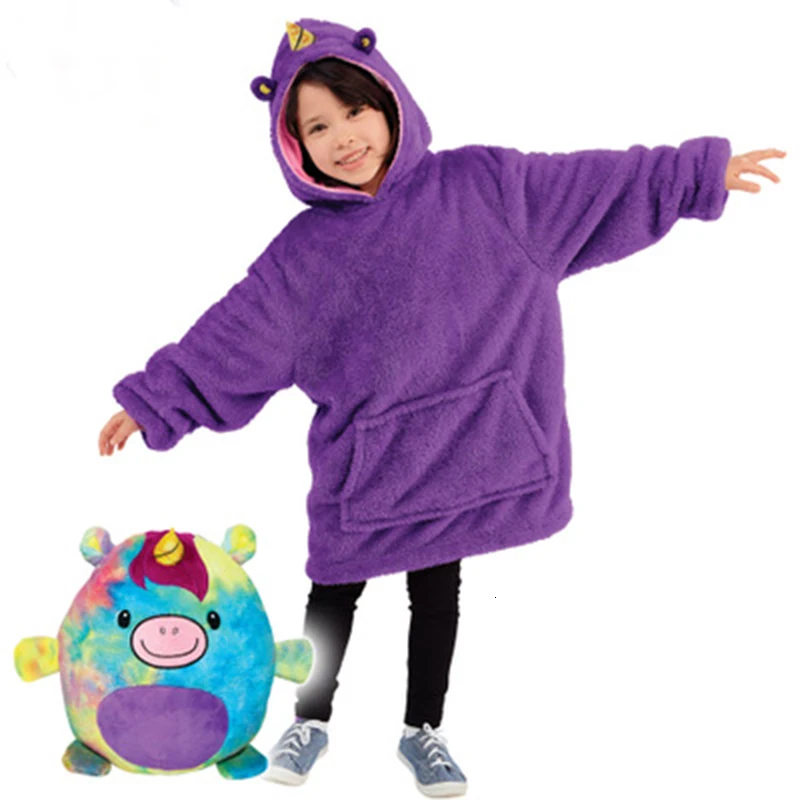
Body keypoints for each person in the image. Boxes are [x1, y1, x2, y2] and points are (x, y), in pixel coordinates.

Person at [98, 18, 784, 798]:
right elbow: (233, 336)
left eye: (355, 111)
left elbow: (596, 182)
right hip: (365, 472)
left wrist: (697, 173)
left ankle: (422, 731)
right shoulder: (301, 258)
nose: (344, 137)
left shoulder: (486, 188)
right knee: (334, 594)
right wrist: (157, 401)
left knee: (436, 596)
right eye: (317, 126)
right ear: (293, 146)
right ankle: (310, 717)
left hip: (466, 454)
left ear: (391, 102)